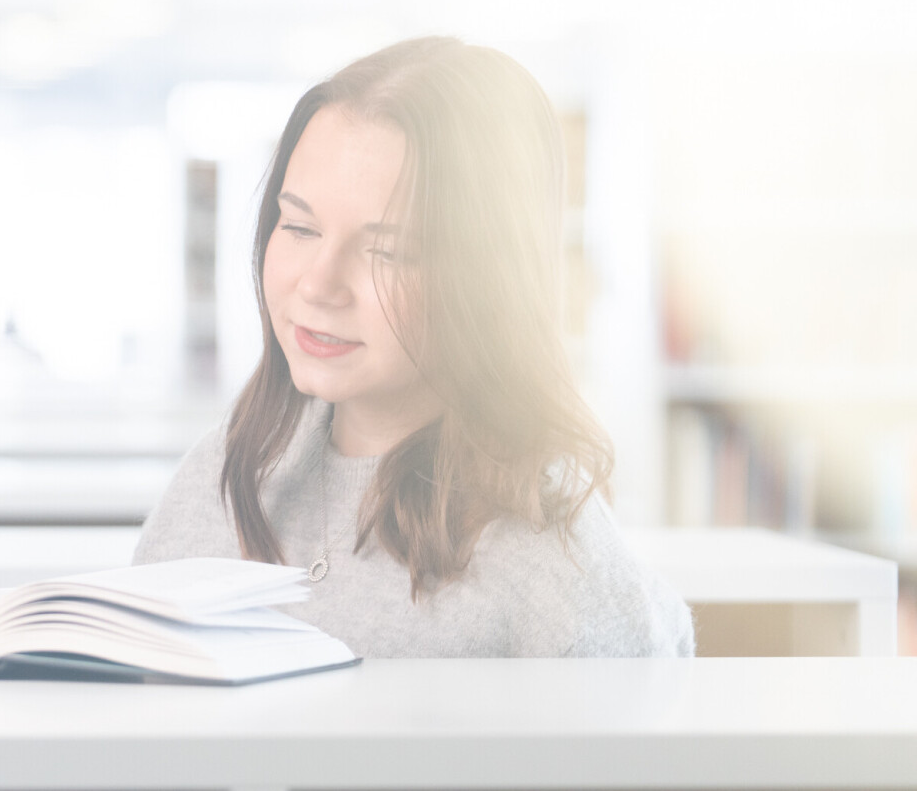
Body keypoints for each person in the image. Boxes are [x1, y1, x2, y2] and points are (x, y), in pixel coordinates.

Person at [134, 37, 693, 657]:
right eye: (298, 226)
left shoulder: (552, 566)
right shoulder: (223, 472)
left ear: (490, 278)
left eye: (389, 251)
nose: (318, 284)